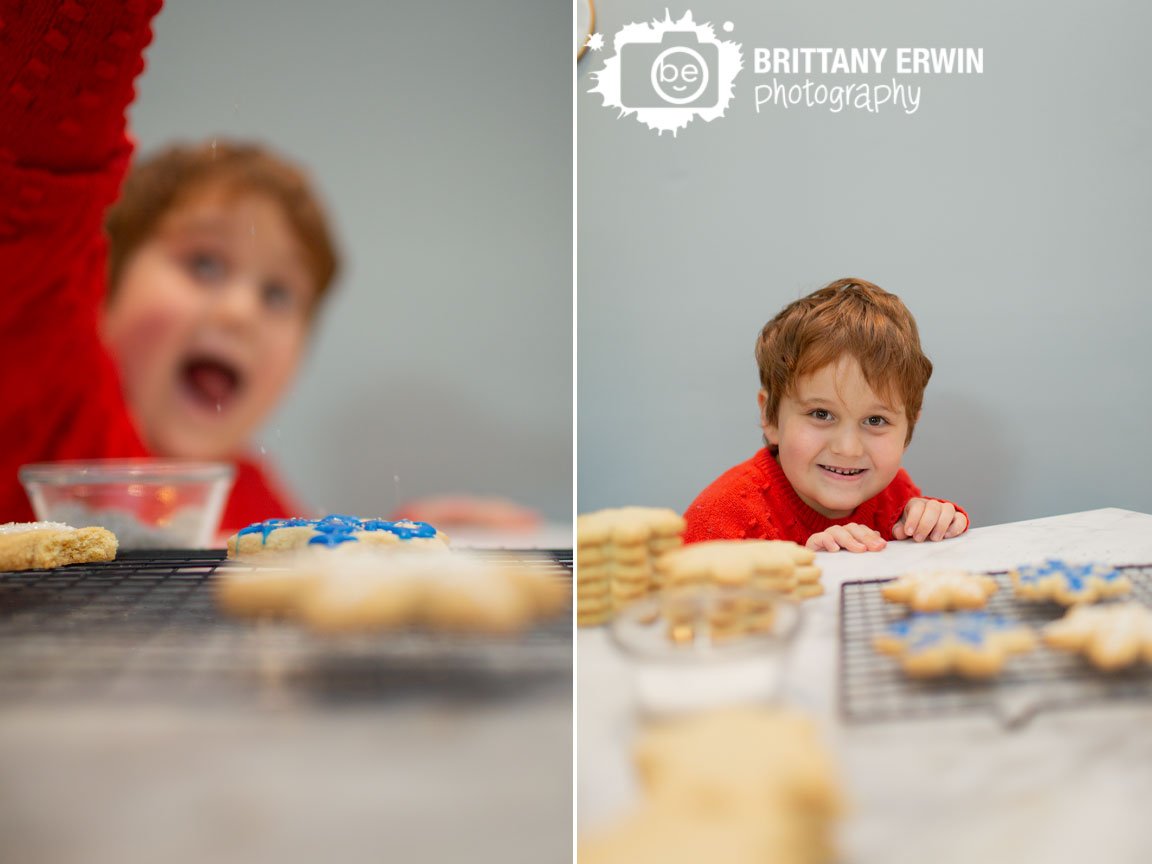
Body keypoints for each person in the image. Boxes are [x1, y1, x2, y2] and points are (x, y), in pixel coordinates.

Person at [0, 0, 537, 535]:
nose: (240, 312)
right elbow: (31, 178)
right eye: (204, 263)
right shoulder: (58, 416)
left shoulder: (251, 489)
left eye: (279, 295)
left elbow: (279, 585)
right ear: (103, 284)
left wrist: (397, 540)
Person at [683, 278, 968, 552]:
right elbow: (683, 600)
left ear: (908, 428)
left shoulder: (895, 494)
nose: (848, 449)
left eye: (875, 420)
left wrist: (933, 522)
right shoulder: (720, 520)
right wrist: (816, 568)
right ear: (770, 417)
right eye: (821, 414)